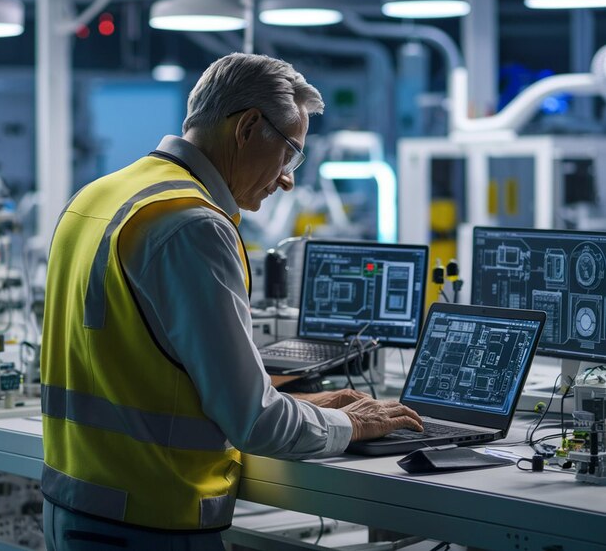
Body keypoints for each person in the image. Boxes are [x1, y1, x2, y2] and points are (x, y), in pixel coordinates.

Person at [40, 53, 423, 550]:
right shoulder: (193, 225)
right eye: (289, 154)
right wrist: (350, 424)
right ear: (246, 128)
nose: (288, 178)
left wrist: (304, 403)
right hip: (151, 520)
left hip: (77, 507)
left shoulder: (99, 196)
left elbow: (138, 373)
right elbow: (255, 423)